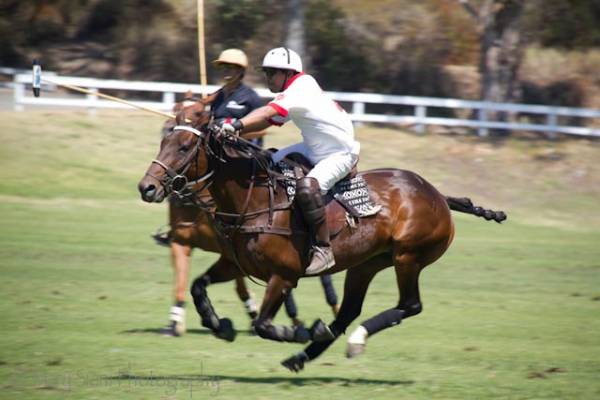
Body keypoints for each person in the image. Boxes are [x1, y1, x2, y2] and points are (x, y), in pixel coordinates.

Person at [220, 47, 360, 275]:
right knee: (269, 162)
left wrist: (235, 125)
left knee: (307, 188)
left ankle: (323, 249)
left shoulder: (301, 87)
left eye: (273, 72)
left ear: (289, 73)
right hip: (314, 148)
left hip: (340, 153)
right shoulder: (293, 92)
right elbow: (268, 122)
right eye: (266, 72)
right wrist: (232, 130)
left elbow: (266, 113)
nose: (268, 78)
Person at [158, 48, 266, 336]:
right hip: (218, 164)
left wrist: (232, 130)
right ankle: (178, 226)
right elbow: (196, 109)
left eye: (232, 67)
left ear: (242, 71)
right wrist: (184, 113)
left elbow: (261, 128)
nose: (227, 71)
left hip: (245, 161)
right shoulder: (218, 95)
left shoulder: (250, 98)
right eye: (224, 67)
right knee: (183, 174)